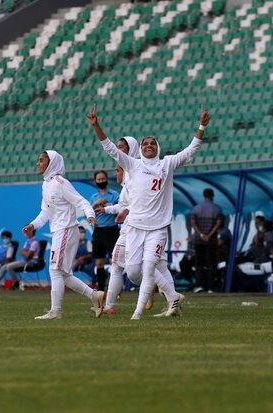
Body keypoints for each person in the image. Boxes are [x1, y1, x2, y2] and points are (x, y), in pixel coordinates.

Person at [88, 103, 210, 319]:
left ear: (158, 147)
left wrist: (201, 126)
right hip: (134, 226)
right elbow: (109, 148)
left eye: (153, 143)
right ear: (141, 148)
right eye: (145, 144)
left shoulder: (167, 164)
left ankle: (137, 313)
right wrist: (96, 125)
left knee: (149, 267)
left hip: (158, 228)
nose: (149, 146)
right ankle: (173, 297)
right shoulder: (132, 165)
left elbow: (191, 150)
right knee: (134, 271)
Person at [23, 150, 103, 320]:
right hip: (60, 231)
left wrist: (90, 215)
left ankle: (56, 312)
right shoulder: (46, 184)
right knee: (64, 274)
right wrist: (33, 225)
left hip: (66, 230)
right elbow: (45, 212)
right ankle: (94, 296)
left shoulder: (60, 182)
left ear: (51, 163)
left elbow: (81, 201)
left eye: (42, 160)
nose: (38, 163)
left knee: (55, 270)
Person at [89, 169, 120, 291]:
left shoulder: (114, 195)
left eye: (103, 179)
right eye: (99, 180)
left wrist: (109, 207)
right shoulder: (94, 197)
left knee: (115, 262)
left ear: (107, 179)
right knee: (99, 263)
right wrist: (96, 203)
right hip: (99, 231)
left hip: (112, 230)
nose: (101, 181)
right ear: (95, 181)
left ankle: (115, 290)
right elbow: (89, 212)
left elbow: (120, 210)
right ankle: (101, 290)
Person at [191, 188, 223, 293]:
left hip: (198, 240)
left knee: (199, 263)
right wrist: (209, 235)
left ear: (204, 196)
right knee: (211, 263)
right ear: (212, 196)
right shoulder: (217, 209)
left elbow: (193, 222)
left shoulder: (196, 208)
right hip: (211, 241)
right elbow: (218, 223)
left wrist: (201, 234)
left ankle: (199, 285)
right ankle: (210, 287)